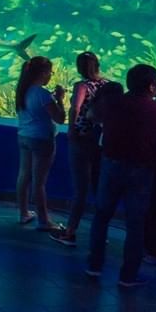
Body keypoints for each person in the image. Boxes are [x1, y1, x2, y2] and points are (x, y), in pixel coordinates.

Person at [87, 65, 156, 288]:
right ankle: (128, 276)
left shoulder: (113, 103)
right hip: (142, 170)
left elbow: (92, 116)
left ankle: (94, 266)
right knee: (135, 224)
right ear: (151, 86)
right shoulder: (155, 110)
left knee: (101, 216)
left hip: (111, 165)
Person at [52, 52, 110, 247]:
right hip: (100, 140)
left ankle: (70, 232)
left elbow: (75, 109)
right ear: (98, 65)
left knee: (80, 188)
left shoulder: (82, 86)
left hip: (82, 137)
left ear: (79, 67)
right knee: (100, 187)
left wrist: (71, 130)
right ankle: (101, 233)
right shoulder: (108, 85)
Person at [14, 56, 66, 230]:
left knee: (23, 175)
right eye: (50, 72)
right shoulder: (43, 95)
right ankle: (44, 221)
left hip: (23, 136)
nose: (51, 75)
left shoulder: (23, 90)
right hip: (41, 140)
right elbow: (60, 118)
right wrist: (60, 99)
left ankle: (23, 213)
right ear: (43, 73)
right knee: (39, 182)